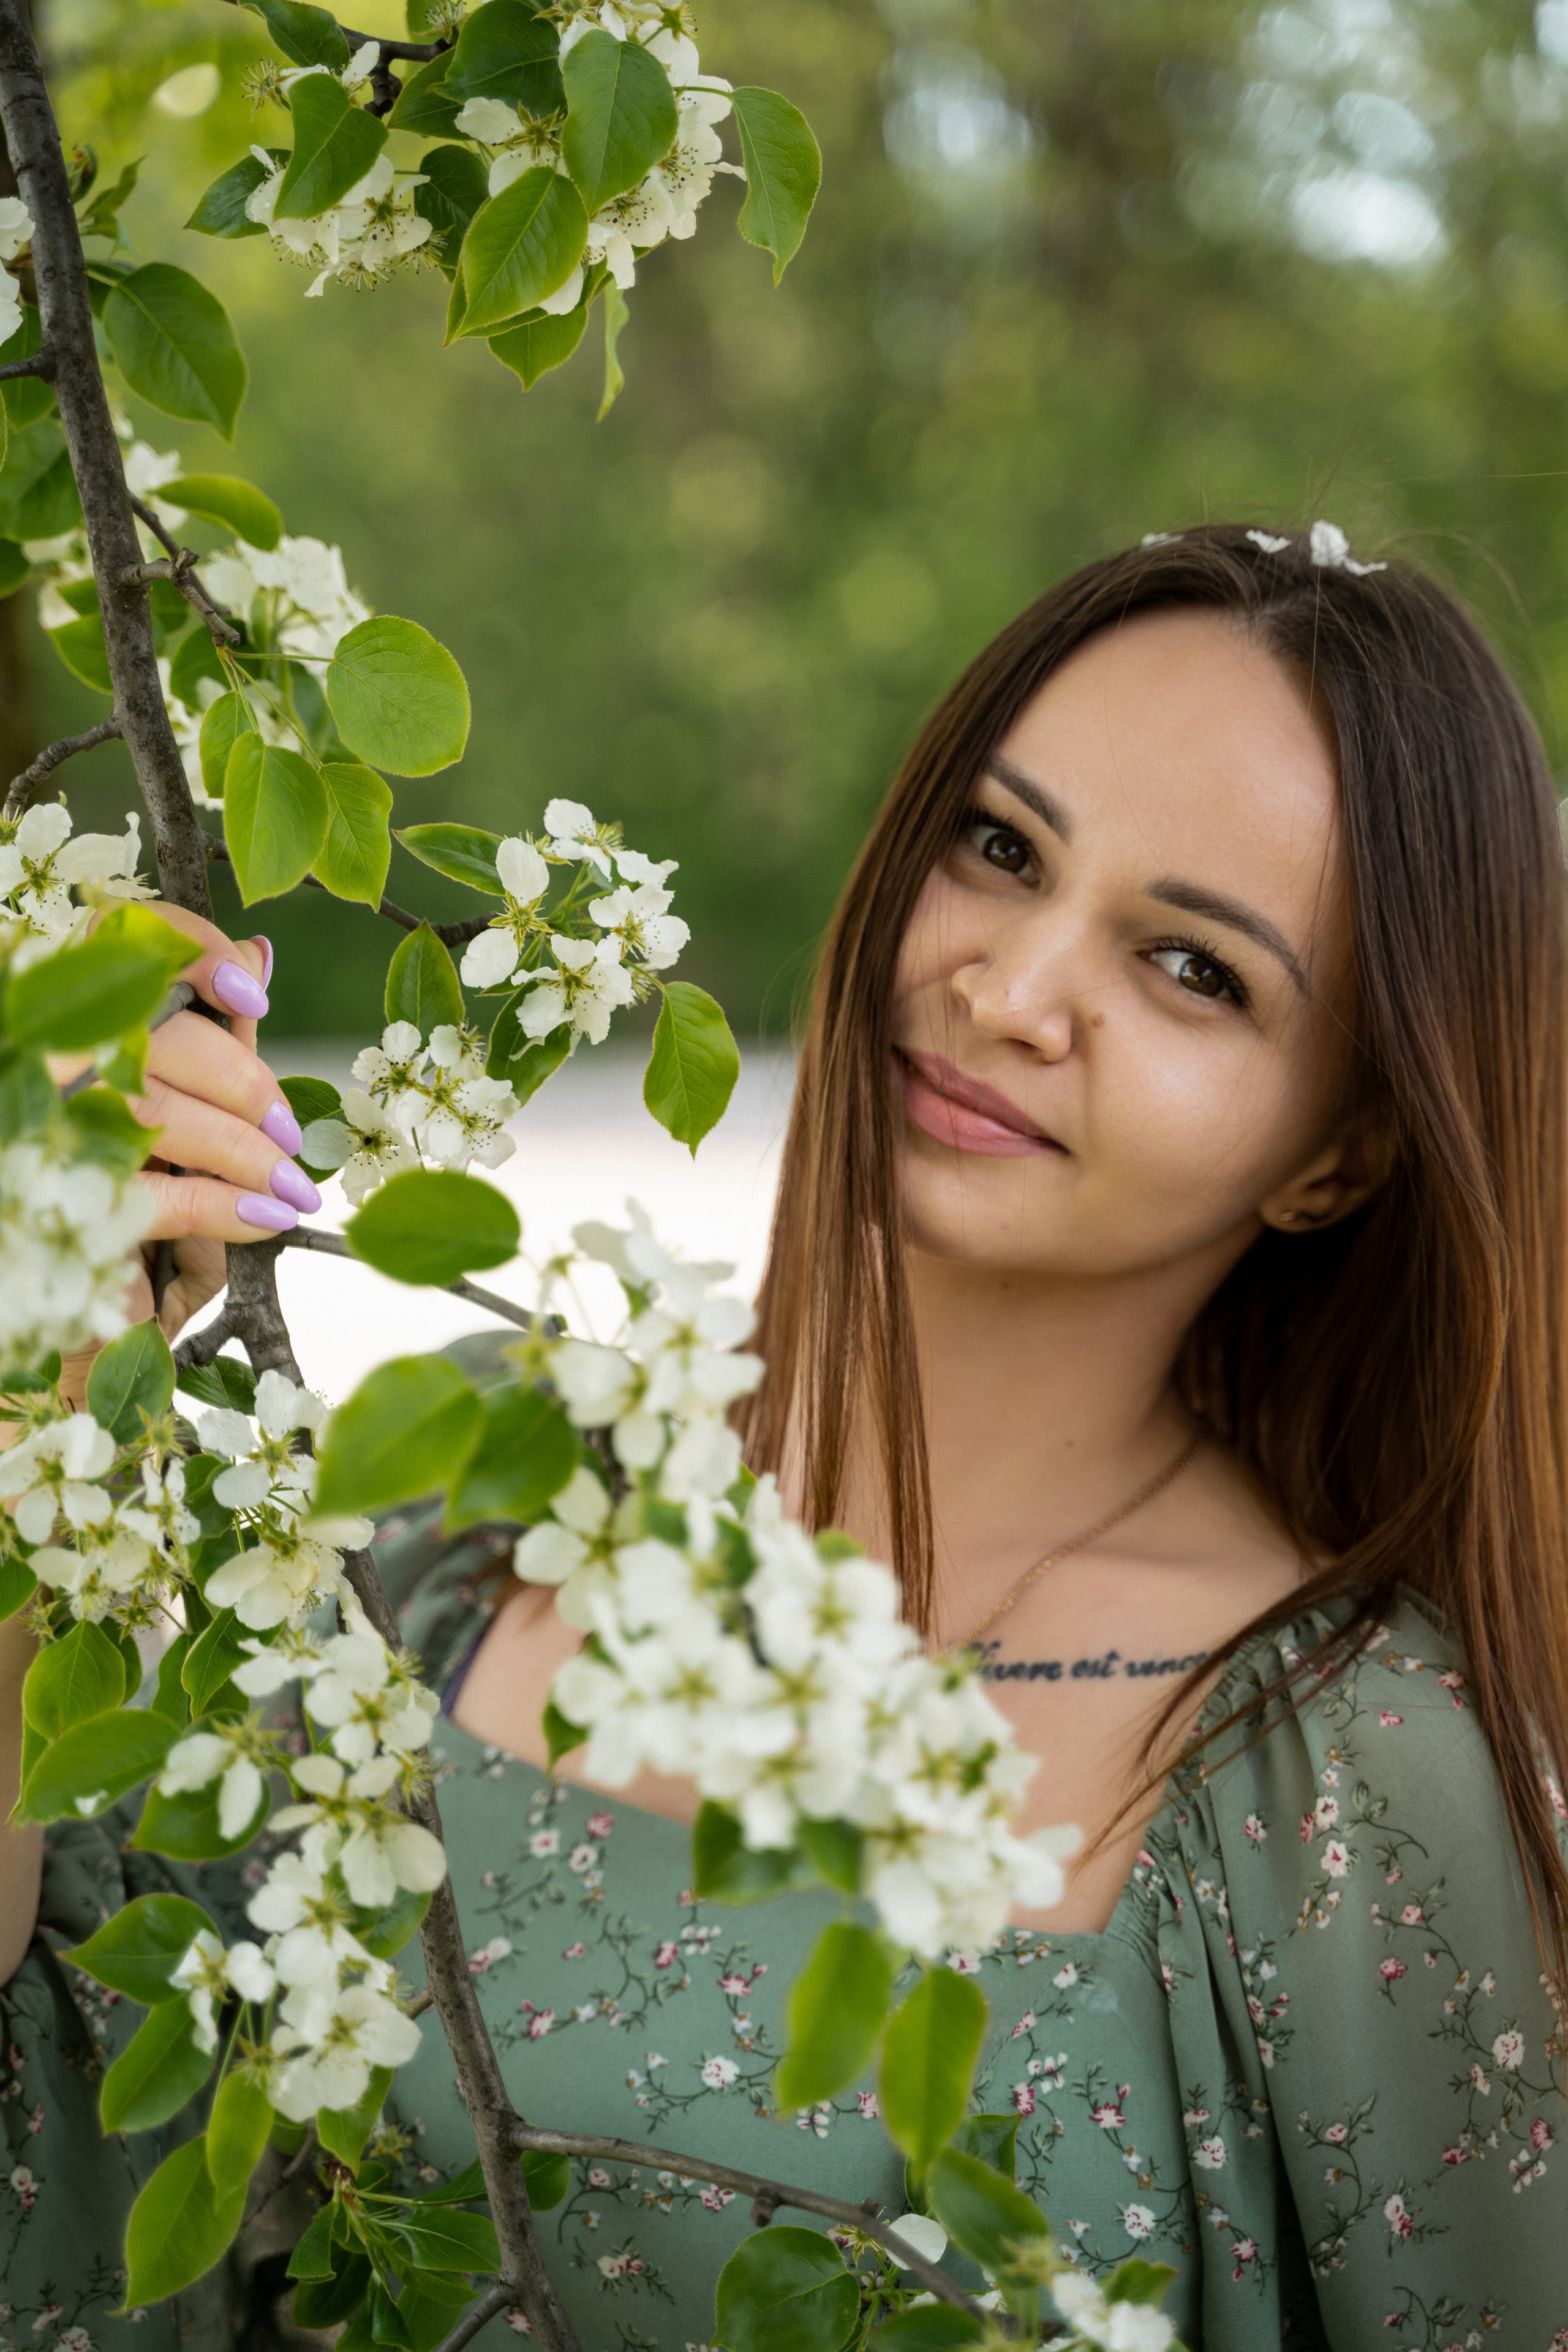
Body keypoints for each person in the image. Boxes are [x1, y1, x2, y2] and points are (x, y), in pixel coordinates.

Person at [2, 522, 1565, 2349]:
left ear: (1340, 1154)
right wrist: (45, 1346)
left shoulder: (1338, 1774)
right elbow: (76, 2173)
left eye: (1193, 971)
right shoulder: (460, 1520)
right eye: (1002, 848)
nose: (1009, 991)